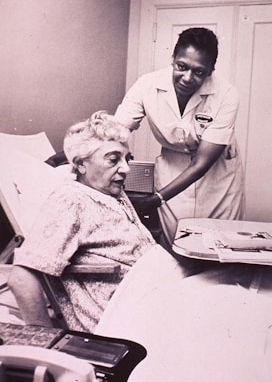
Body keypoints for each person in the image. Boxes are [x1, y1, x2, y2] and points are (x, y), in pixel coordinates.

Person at [8, 111, 165, 332]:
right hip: (125, 319)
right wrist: (45, 342)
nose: (126, 168)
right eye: (113, 159)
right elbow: (21, 278)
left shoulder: (112, 192)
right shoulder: (71, 200)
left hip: (156, 300)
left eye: (126, 158)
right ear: (81, 164)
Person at [115, 27, 245, 244]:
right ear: (173, 59)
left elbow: (201, 163)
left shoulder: (226, 94)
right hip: (172, 168)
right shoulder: (148, 85)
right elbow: (115, 131)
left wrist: (158, 199)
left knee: (220, 245)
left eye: (199, 72)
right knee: (176, 245)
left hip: (216, 175)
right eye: (181, 67)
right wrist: (72, 153)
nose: (187, 78)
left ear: (211, 70)